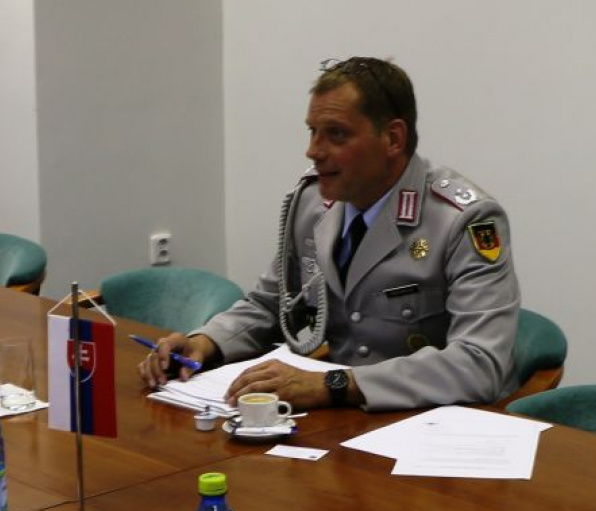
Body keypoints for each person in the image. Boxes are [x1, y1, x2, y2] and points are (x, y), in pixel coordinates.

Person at [138, 56, 520, 411]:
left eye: (336, 134)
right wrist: (203, 344)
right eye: (312, 131)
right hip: (336, 420)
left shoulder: (464, 220)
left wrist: (335, 385)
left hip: (425, 423)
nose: (313, 151)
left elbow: (480, 362)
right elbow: (271, 305)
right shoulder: (312, 202)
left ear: (393, 139)